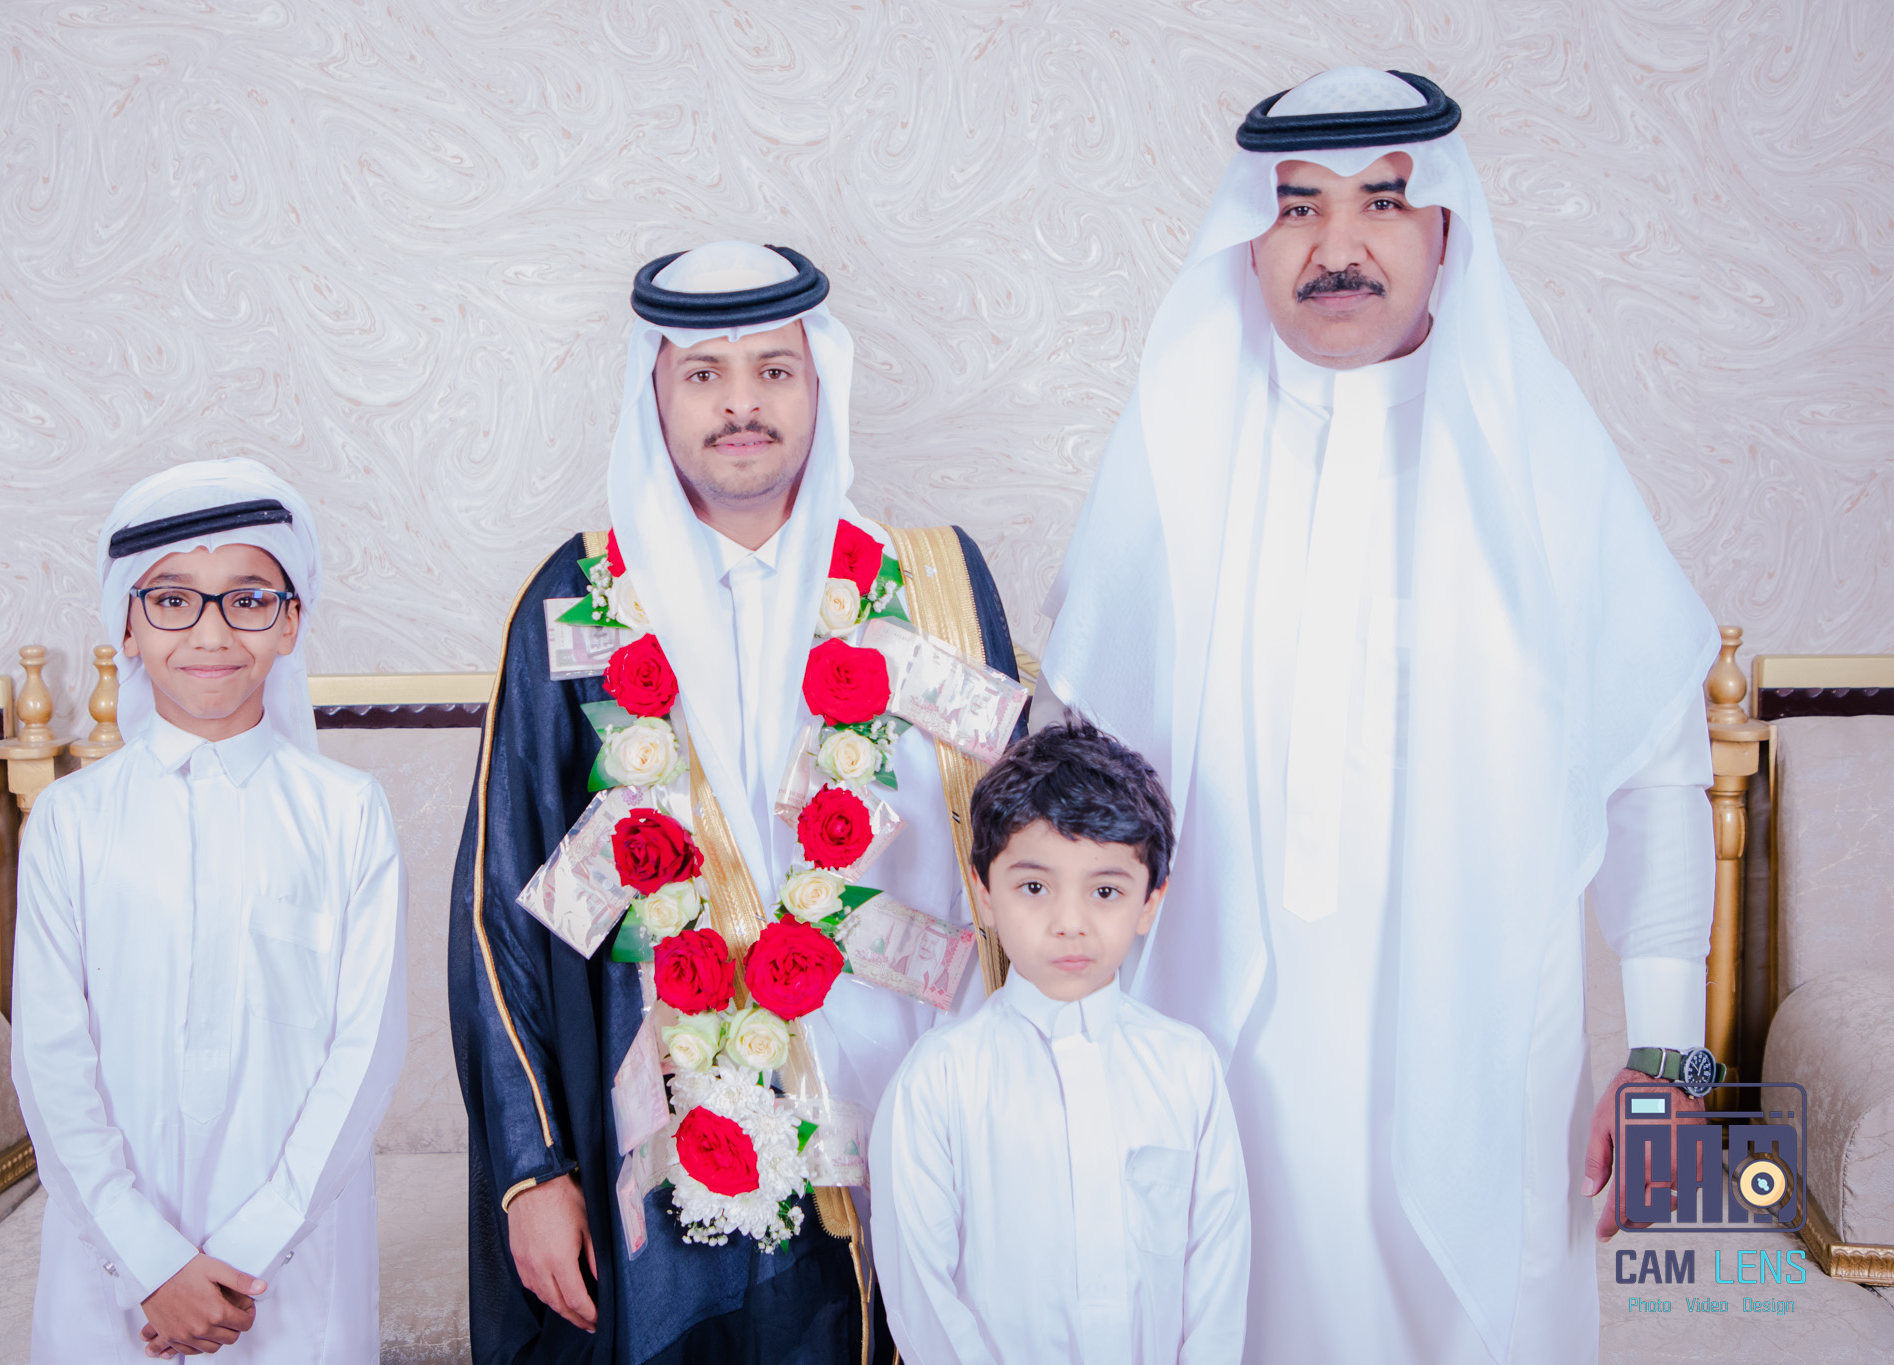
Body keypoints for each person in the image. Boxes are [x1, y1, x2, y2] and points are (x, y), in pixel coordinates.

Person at [1042, 68, 1719, 1364]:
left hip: (1484, 1066)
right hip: (1221, 1062)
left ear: (1445, 228)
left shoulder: (1539, 457)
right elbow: (1072, 787)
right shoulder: (1178, 453)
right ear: (1250, 237)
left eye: (1382, 204)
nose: (1335, 246)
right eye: (1297, 207)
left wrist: (1670, 1060)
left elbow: (1651, 772)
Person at [451, 240, 1025, 1364]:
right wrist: (530, 1169)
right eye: (703, 374)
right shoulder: (577, 603)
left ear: (820, 384)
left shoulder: (934, 588)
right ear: (654, 396)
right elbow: (502, 909)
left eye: (774, 369)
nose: (741, 404)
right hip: (671, 1152)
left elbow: (1024, 860)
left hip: (913, 1142)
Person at [11, 459, 409, 1362]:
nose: (211, 632)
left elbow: (364, 1055)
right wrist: (151, 1262)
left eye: (248, 599)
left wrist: (247, 1251)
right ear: (126, 624)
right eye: (173, 601)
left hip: (288, 1274)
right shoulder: (71, 821)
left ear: (291, 621)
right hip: (111, 1275)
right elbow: (49, 1062)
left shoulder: (347, 813)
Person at [869, 716, 1249, 1364]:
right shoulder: (939, 1077)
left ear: (1150, 901)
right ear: (985, 893)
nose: (1070, 922)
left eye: (1105, 890)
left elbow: (1217, 1278)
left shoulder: (1187, 1067)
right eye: (1034, 887)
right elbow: (922, 1296)